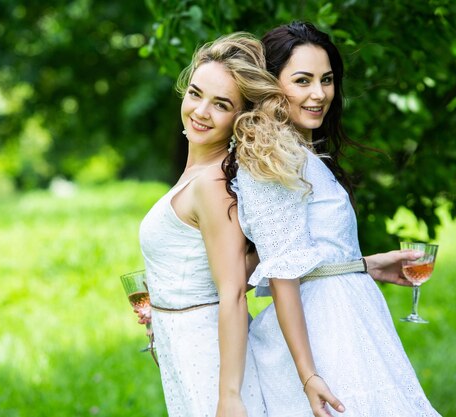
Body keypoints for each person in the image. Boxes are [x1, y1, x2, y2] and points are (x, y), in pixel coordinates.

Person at [227, 22, 442, 416]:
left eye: (326, 80)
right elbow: (283, 273)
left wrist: (366, 265)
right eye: (302, 80)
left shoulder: (299, 152)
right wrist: (309, 376)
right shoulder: (270, 157)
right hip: (322, 328)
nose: (318, 94)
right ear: (272, 85)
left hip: (346, 311)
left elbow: (308, 249)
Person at [137, 32, 293, 417]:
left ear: (240, 117)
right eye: (195, 93)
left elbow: (234, 293)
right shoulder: (199, 175)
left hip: (207, 354)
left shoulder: (211, 185)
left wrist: (230, 396)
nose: (201, 111)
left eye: (220, 104)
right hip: (181, 348)